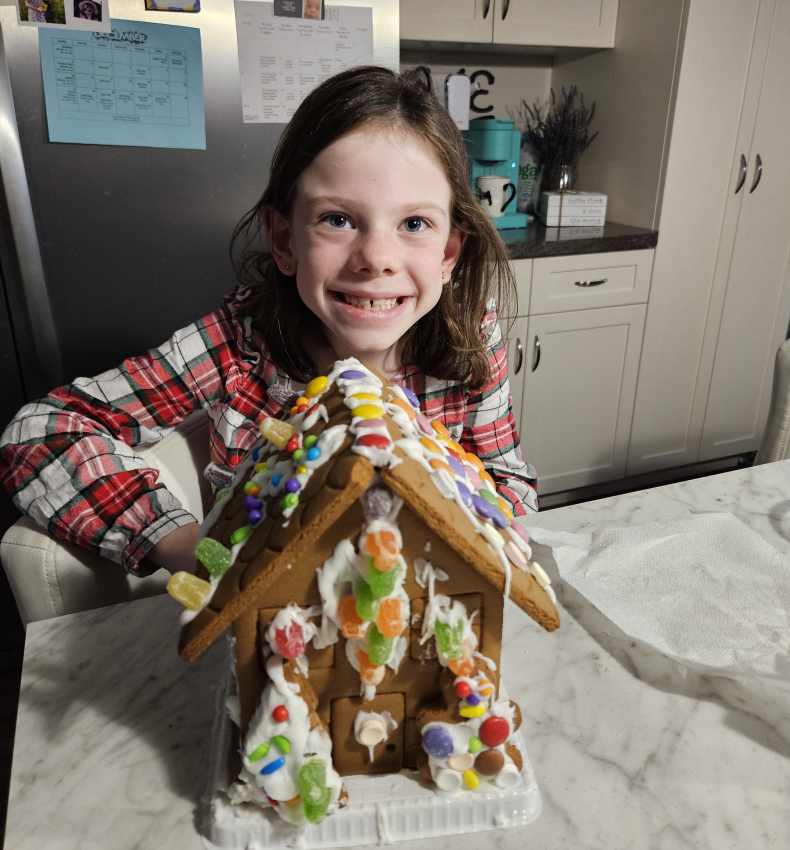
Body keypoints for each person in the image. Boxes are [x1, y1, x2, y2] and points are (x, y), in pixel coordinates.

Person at [0, 66, 537, 582]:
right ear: (284, 241)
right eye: (338, 219)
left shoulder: (470, 337)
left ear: (448, 253)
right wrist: (188, 545)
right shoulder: (235, 345)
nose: (376, 258)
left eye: (413, 223)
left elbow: (507, 481)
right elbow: (40, 432)